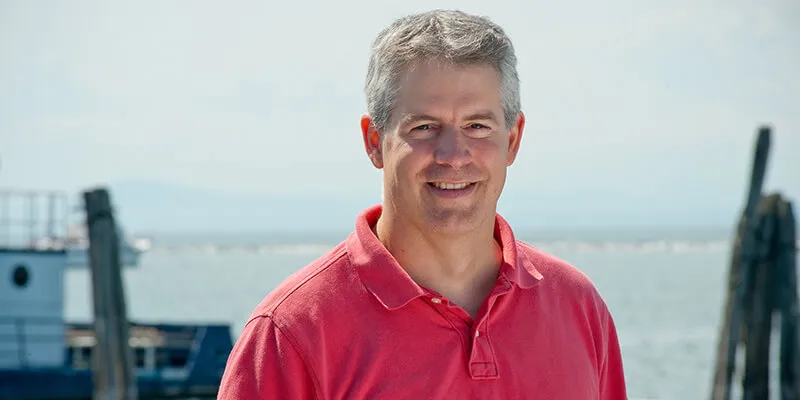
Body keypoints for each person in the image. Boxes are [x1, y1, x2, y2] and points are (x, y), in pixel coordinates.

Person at [218, 9, 627, 399]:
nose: (453, 154)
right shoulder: (290, 333)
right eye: (424, 127)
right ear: (374, 142)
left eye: (477, 126)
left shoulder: (578, 307)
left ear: (513, 140)